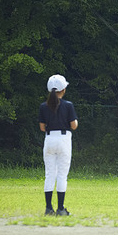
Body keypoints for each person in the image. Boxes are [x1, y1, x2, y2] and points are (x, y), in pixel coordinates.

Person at [39, 74, 78, 216]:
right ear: (63, 89)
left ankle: (48, 208)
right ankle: (61, 208)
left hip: (49, 139)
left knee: (49, 174)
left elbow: (42, 127)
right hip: (63, 139)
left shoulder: (43, 106)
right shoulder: (68, 105)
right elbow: (73, 125)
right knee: (62, 175)